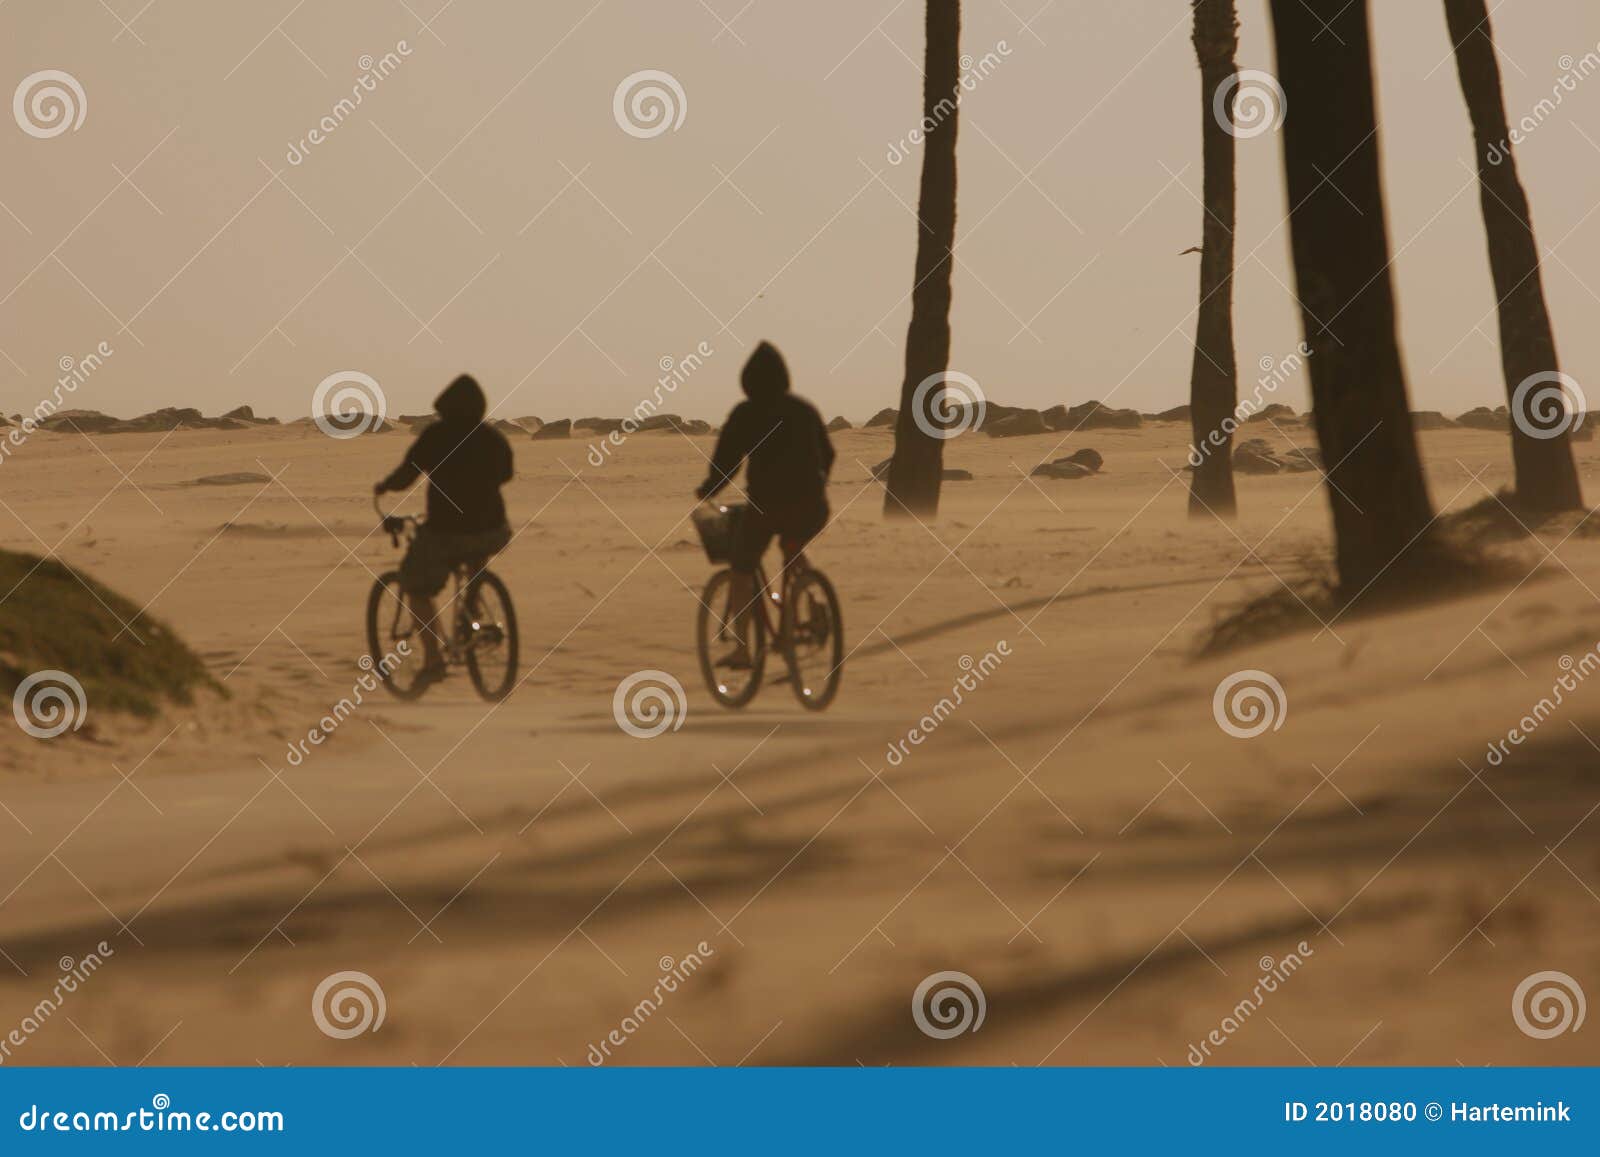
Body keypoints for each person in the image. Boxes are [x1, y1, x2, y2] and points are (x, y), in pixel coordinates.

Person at [695, 342, 835, 668]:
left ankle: (745, 651)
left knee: (742, 568)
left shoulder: (746, 413)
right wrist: (816, 485)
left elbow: (727, 464)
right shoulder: (804, 409)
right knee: (794, 546)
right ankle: (812, 600)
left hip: (767, 508)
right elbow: (828, 454)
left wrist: (708, 490)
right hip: (813, 506)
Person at [375, 373, 513, 684]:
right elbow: (506, 473)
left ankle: (434, 661)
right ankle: (472, 613)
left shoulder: (437, 436)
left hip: (446, 531)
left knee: (416, 587)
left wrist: (385, 487)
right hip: (493, 528)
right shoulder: (491, 437)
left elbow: (407, 474)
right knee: (476, 553)